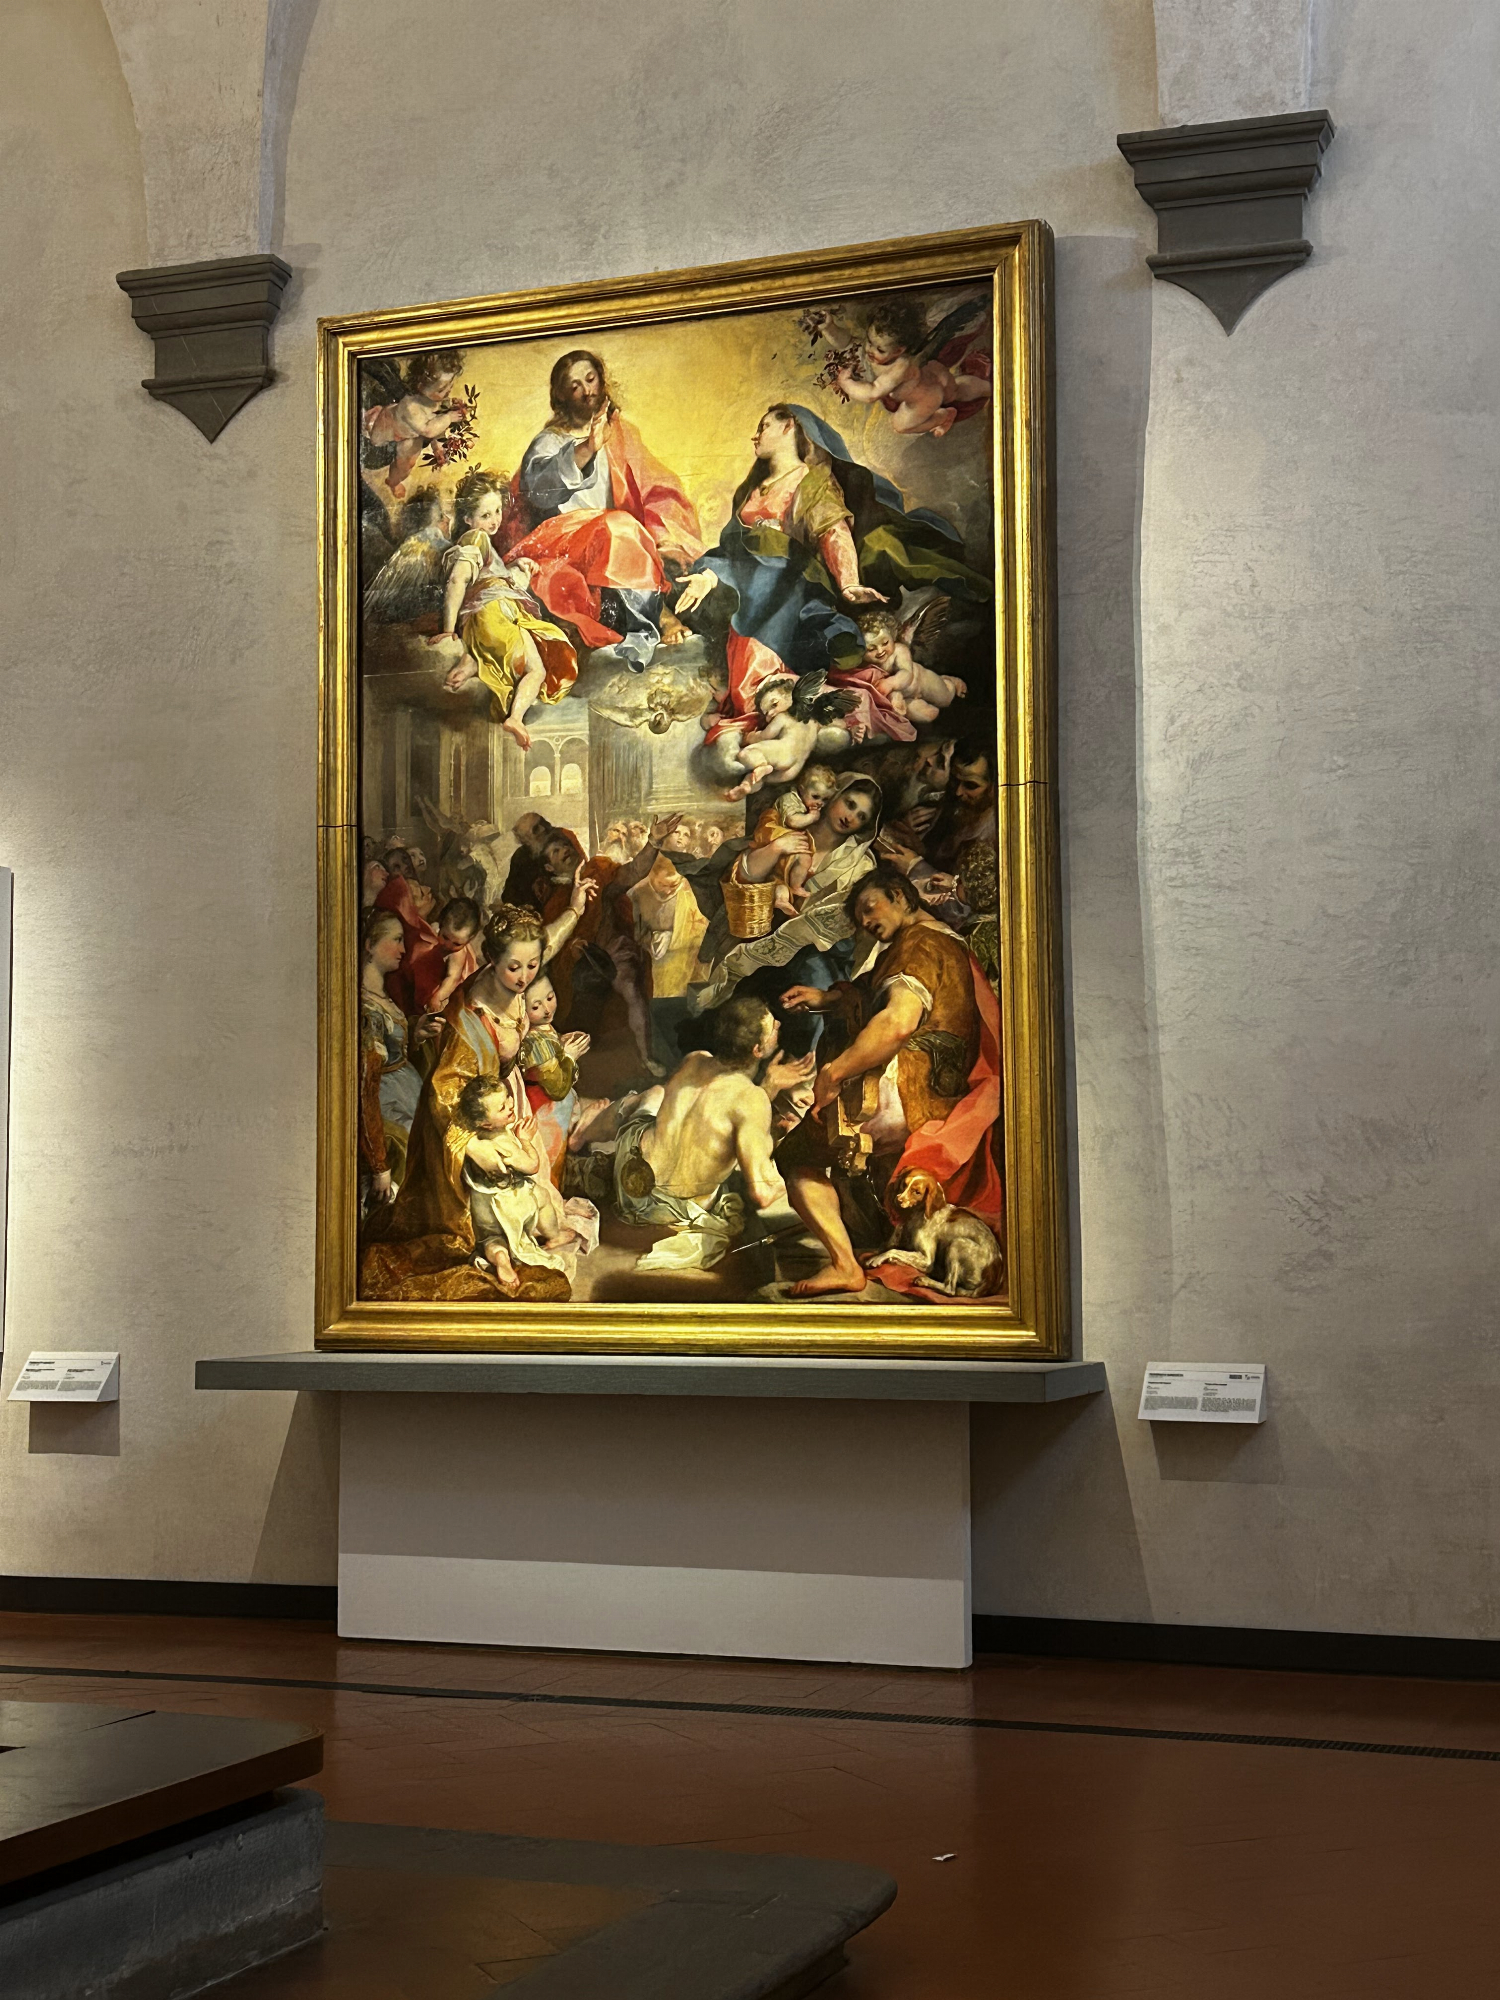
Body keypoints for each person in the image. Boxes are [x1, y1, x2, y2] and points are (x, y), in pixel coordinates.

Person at [673, 405, 987, 747]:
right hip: (748, 586)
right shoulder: (751, 489)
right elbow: (734, 546)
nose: (756, 436)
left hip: (789, 586)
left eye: (764, 427)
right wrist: (712, 574)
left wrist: (848, 582)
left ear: (789, 427)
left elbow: (834, 534)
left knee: (759, 634)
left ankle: (771, 718)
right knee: (735, 628)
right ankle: (760, 714)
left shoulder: (812, 482)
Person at [361, 891, 596, 1303]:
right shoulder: (470, 1019)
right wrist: (474, 1146)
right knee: (486, 1218)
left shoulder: (519, 971)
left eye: (532, 966)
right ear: (492, 959)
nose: (525, 977)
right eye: (514, 967)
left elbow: (549, 941)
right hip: (469, 1118)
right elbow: (444, 1095)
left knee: (534, 1190)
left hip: (504, 1099)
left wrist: (575, 907)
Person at [776, 868, 1001, 1298]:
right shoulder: (944, 941)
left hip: (902, 1089)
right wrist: (828, 998)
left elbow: (897, 1022)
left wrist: (833, 1073)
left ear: (899, 895)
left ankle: (845, 1266)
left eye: (869, 907)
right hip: (941, 1095)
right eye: (860, 918)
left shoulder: (918, 944)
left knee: (794, 1156)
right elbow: (872, 994)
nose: (865, 922)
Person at [506, 350, 703, 670]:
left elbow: (655, 488)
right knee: (618, 526)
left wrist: (665, 539)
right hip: (564, 540)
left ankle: (649, 624)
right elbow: (539, 490)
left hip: (618, 535)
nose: (587, 391)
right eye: (575, 387)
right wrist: (587, 448)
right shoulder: (549, 441)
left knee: (620, 528)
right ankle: (656, 621)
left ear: (602, 380)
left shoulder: (622, 434)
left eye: (590, 379)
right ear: (561, 396)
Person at [610, 995, 813, 1273]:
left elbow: (716, 1111)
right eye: (772, 1027)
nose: (778, 1023)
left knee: (652, 1096)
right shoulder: (751, 1099)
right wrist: (794, 1141)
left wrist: (768, 1088)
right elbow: (763, 1193)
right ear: (757, 1050)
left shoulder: (695, 1060)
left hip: (629, 1177)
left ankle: (586, 1130)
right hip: (668, 1209)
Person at [430, 467, 578, 749]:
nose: (495, 520)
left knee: (519, 659)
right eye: (485, 515)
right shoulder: (476, 539)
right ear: (468, 519)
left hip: (489, 619)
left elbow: (491, 581)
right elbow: (458, 580)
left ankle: (473, 663)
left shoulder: (482, 546)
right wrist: (448, 630)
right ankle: (516, 718)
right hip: (494, 615)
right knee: (536, 671)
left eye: (497, 511)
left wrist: (517, 567)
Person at [452, 1074, 597, 1295]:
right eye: (502, 1107)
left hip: (483, 1204)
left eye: (508, 1098)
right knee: (542, 1197)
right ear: (486, 1123)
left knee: (491, 1238)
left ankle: (500, 1257)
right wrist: (525, 1141)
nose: (511, 1104)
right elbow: (532, 1166)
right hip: (511, 1202)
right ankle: (554, 1236)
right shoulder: (505, 1144)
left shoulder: (479, 1139)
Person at [832, 298, 992, 440]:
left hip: (925, 399)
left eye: (880, 350)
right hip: (935, 374)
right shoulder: (907, 354)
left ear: (899, 350)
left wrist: (846, 383)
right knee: (957, 389)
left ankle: (943, 417)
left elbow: (872, 393)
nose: (870, 350)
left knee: (900, 425)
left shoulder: (899, 367)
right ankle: (988, 387)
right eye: (869, 342)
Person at [358, 911, 426, 1208]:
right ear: (369, 945)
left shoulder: (381, 996)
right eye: (396, 940)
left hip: (407, 1093)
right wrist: (379, 1166)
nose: (403, 949)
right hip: (388, 1103)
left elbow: (394, 1044)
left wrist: (417, 1030)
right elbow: (366, 1087)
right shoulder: (366, 1010)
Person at [750, 765, 840, 917]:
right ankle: (796, 886)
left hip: (784, 845)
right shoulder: (790, 799)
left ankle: (782, 899)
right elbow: (792, 821)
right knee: (804, 858)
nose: (820, 803)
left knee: (779, 880)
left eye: (825, 800)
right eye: (816, 796)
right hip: (772, 835)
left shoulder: (805, 804)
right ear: (802, 789)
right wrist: (811, 818)